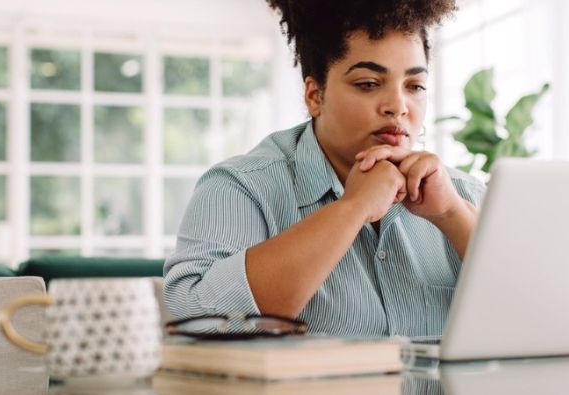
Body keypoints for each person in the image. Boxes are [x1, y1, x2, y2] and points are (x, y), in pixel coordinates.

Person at [163, 0, 485, 337]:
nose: (398, 107)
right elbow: (195, 321)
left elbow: (537, 317)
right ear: (315, 96)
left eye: (414, 86)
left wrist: (451, 215)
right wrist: (353, 207)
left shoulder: (463, 194)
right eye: (368, 83)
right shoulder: (240, 188)